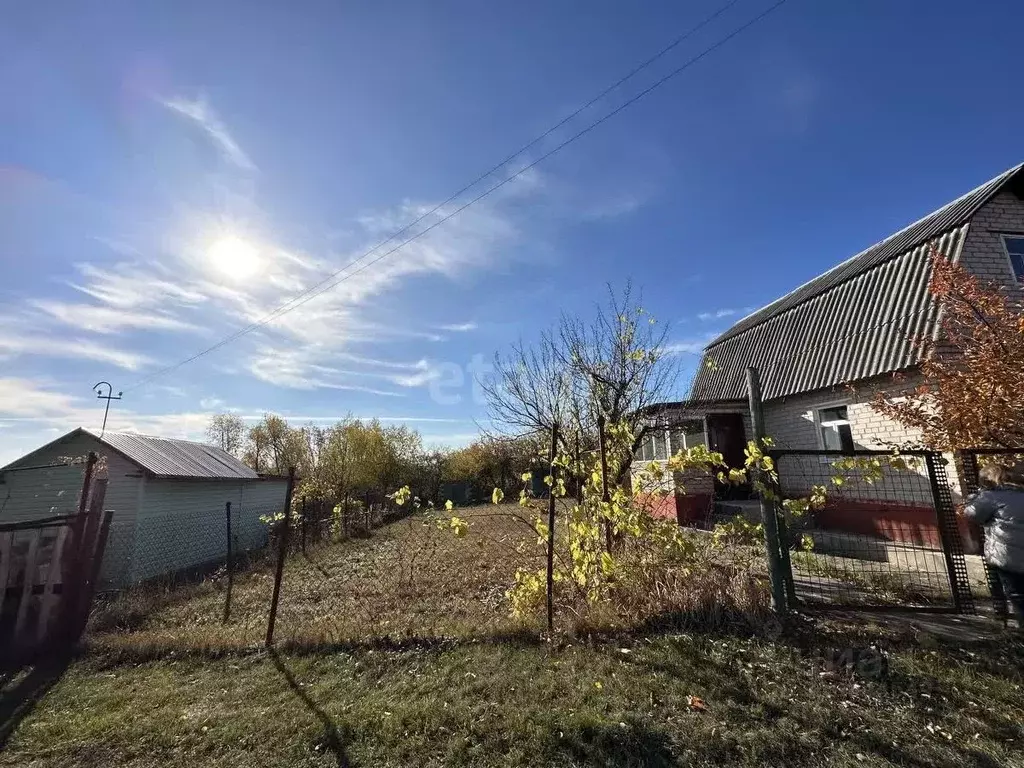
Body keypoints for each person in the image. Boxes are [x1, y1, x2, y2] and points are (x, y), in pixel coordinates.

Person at [964, 460, 1024, 624]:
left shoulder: (990, 496)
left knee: (1017, 595)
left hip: (1006, 555)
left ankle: (1010, 625)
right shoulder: (1021, 492)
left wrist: (973, 499)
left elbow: (972, 514)